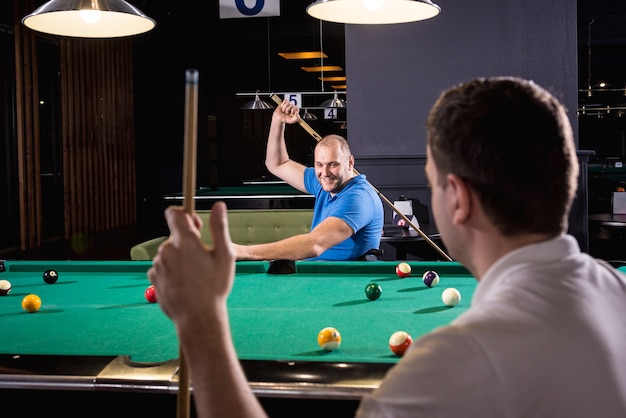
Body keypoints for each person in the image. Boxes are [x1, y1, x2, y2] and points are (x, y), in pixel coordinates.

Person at [147, 77, 626, 417]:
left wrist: (202, 328)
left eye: (432, 182)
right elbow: (279, 164)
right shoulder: (614, 288)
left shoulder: (446, 367)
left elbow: (316, 243)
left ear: (455, 198)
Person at [233, 99, 384, 261]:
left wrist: (244, 252)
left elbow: (316, 244)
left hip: (339, 280)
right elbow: (277, 164)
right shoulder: (324, 183)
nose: (325, 173)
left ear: (350, 163)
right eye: (319, 164)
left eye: (333, 164)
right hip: (313, 274)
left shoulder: (359, 198)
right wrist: (277, 121)